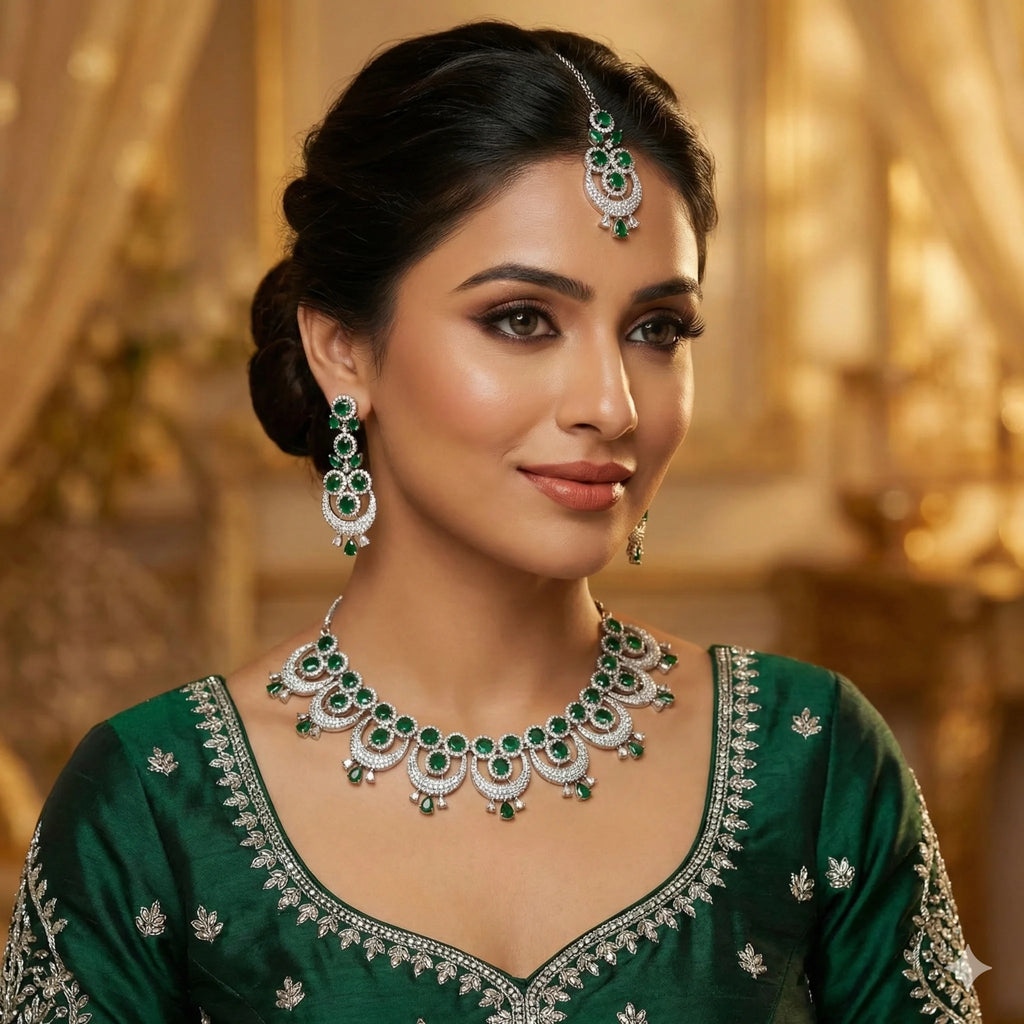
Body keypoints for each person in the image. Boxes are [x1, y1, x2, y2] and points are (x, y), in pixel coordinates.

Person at [0, 21, 983, 1024]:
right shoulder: (157, 804)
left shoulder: (808, 758)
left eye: (656, 330)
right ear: (344, 349)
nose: (613, 403)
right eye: (521, 319)